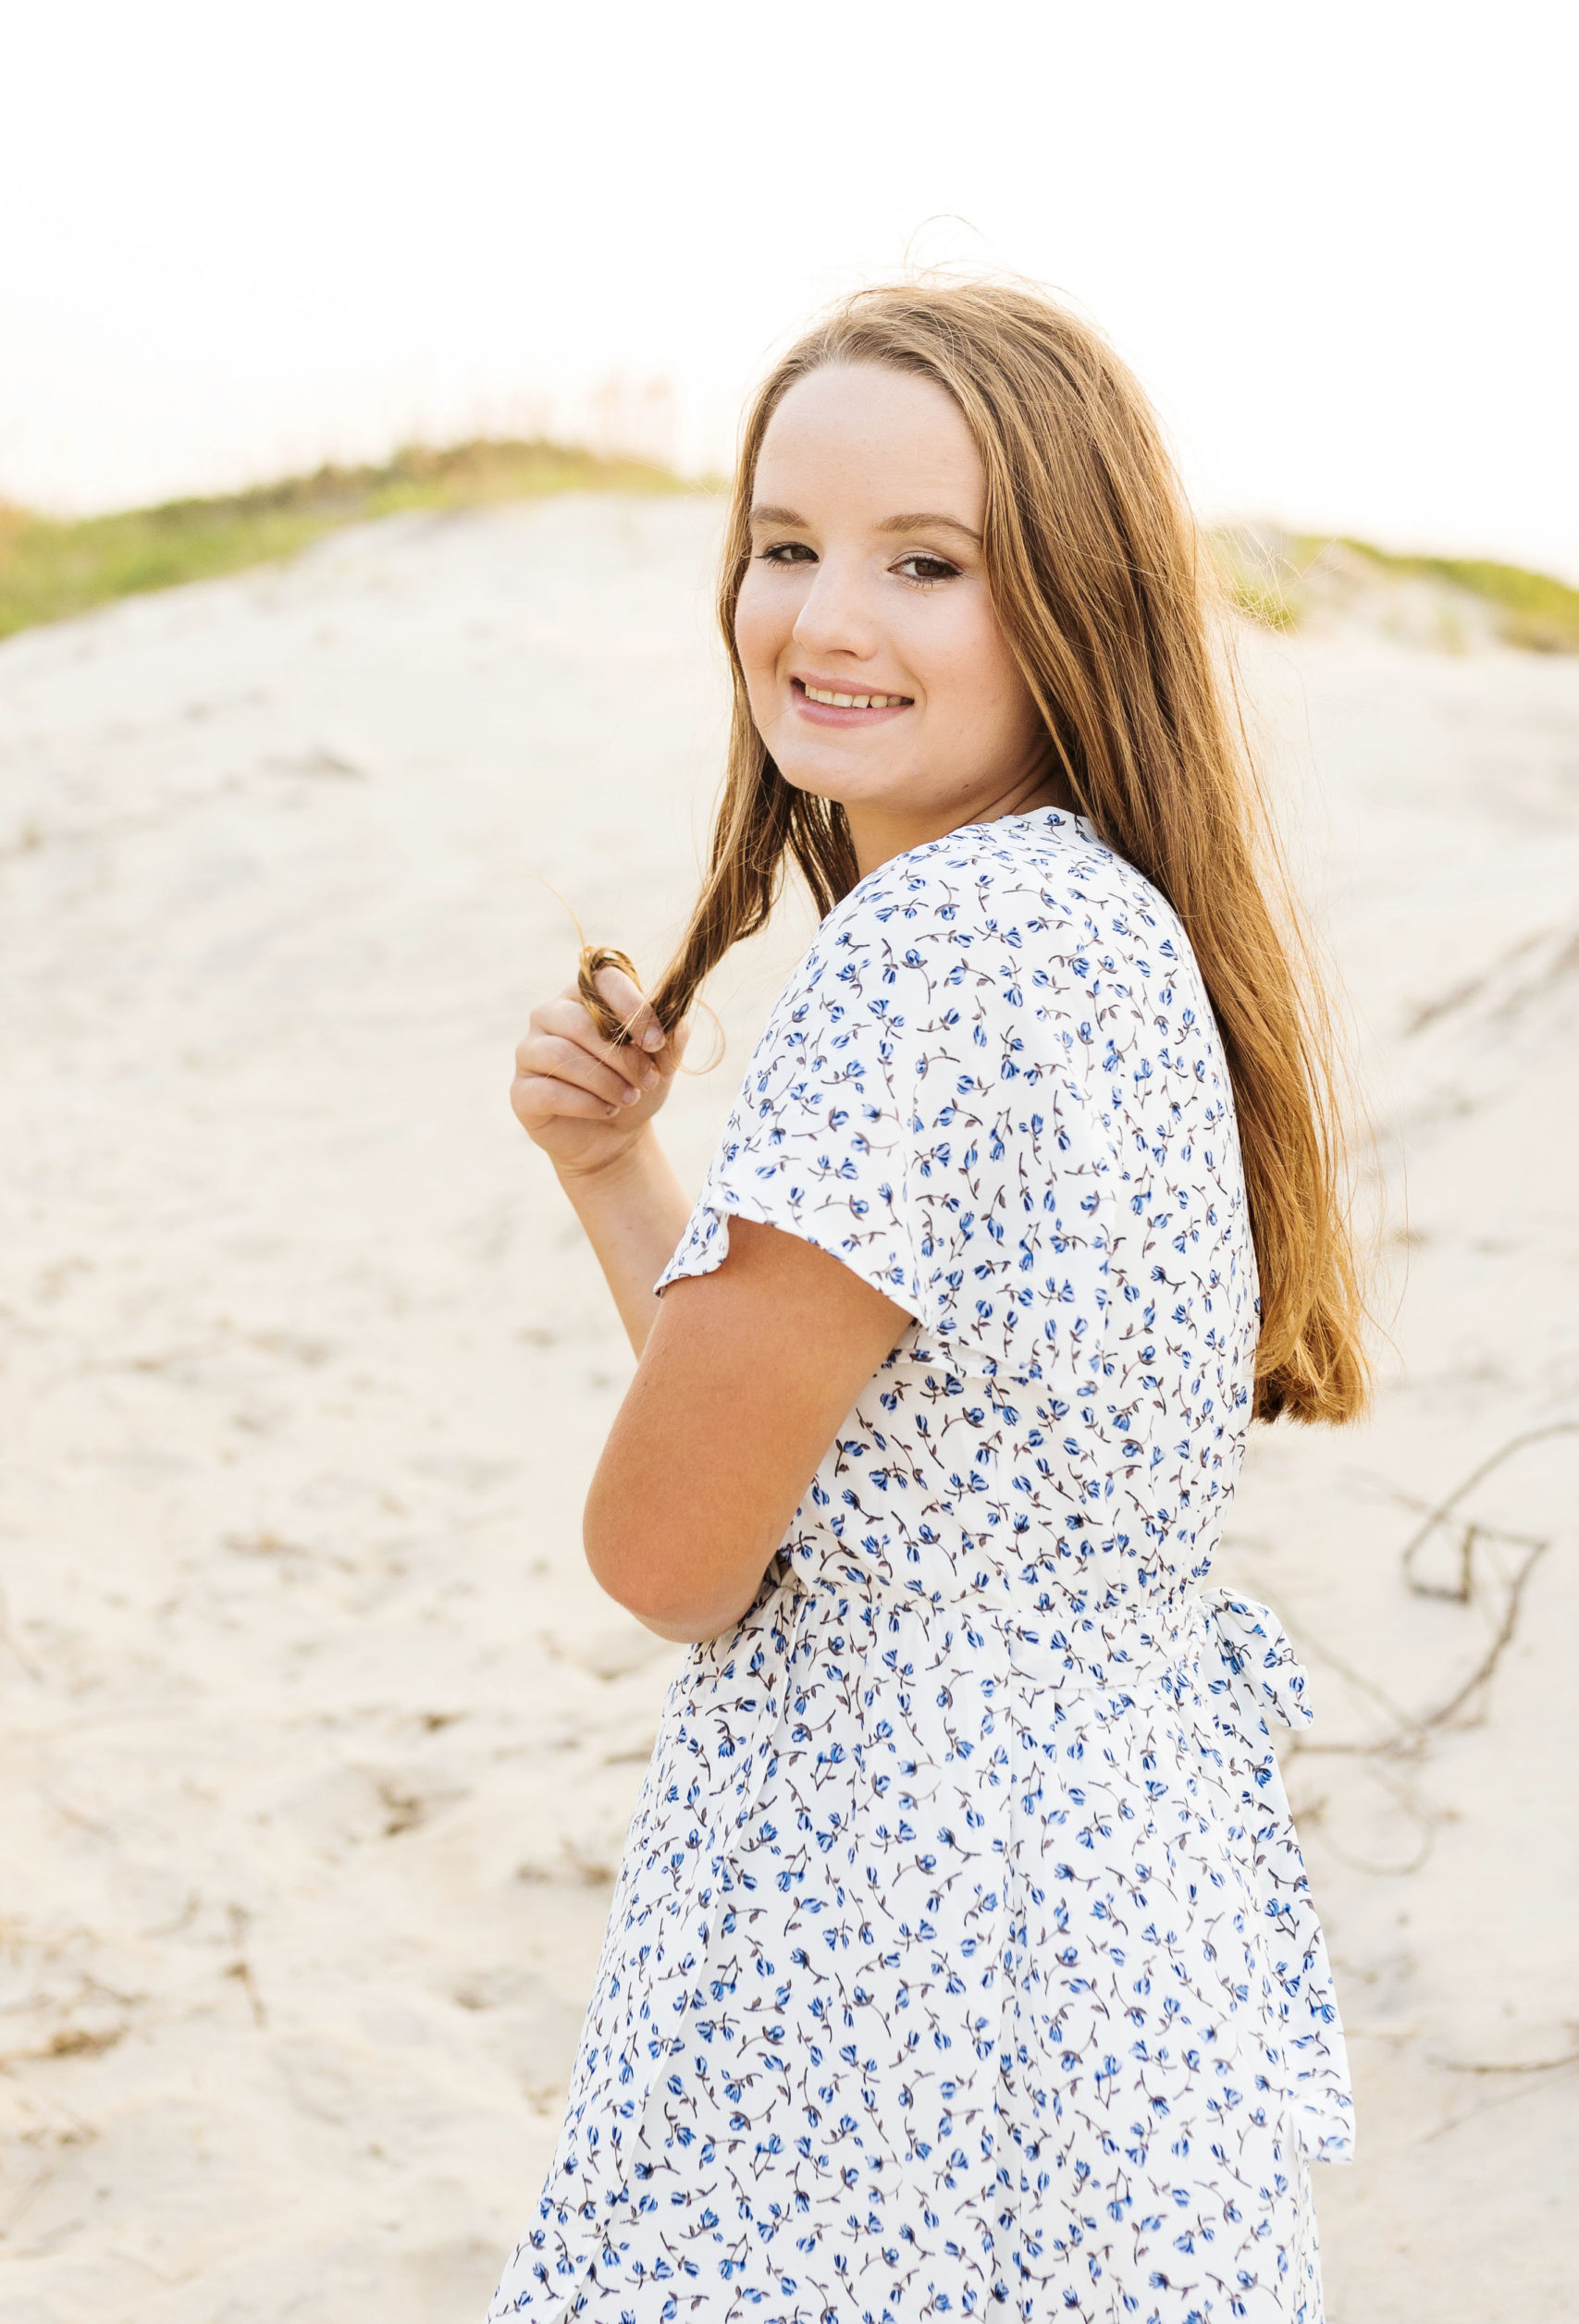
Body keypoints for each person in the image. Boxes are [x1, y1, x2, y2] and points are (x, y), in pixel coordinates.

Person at [491, 277, 1369, 2324]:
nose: (823, 618)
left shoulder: (935, 956)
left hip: (891, 1925)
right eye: (783, 545)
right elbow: (865, 1475)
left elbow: (677, 1548)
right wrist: (619, 1171)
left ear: (1073, 607)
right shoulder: (1094, 919)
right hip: (1103, 1915)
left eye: (925, 563)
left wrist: (656, 1317)